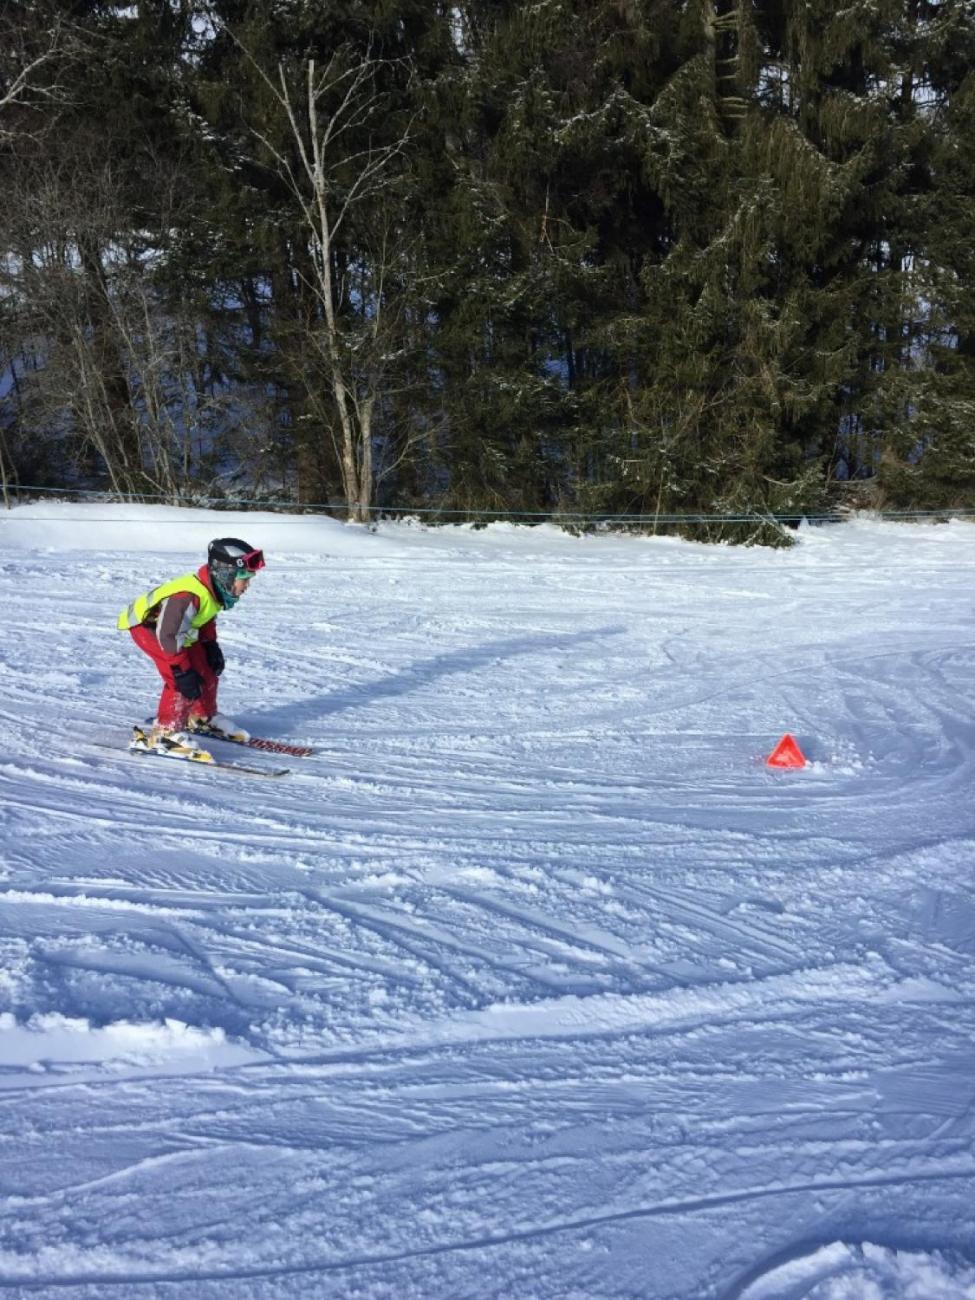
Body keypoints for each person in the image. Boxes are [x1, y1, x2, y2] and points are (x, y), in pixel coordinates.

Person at [117, 537, 265, 754]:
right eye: (244, 578)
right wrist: (181, 670)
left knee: (205, 669)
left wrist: (209, 645)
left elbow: (204, 618)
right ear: (226, 574)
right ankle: (165, 733)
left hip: (175, 632)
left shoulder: (212, 590)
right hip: (150, 629)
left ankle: (201, 716)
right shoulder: (187, 596)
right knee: (182, 679)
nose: (247, 586)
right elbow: (167, 635)